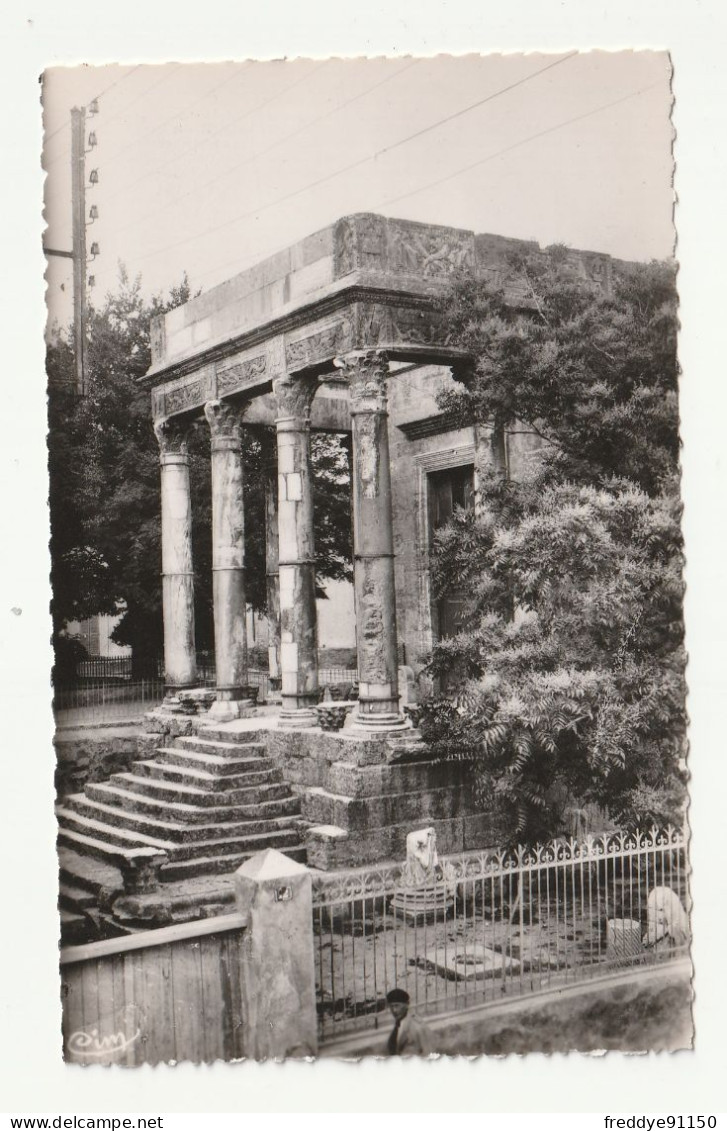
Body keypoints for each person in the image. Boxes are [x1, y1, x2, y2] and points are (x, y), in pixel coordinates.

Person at [385, 988, 434, 1056]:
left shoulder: (417, 1027)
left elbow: (428, 1053)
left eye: (397, 1006)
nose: (394, 1010)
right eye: (391, 1006)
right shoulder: (399, 1024)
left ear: (407, 1004)